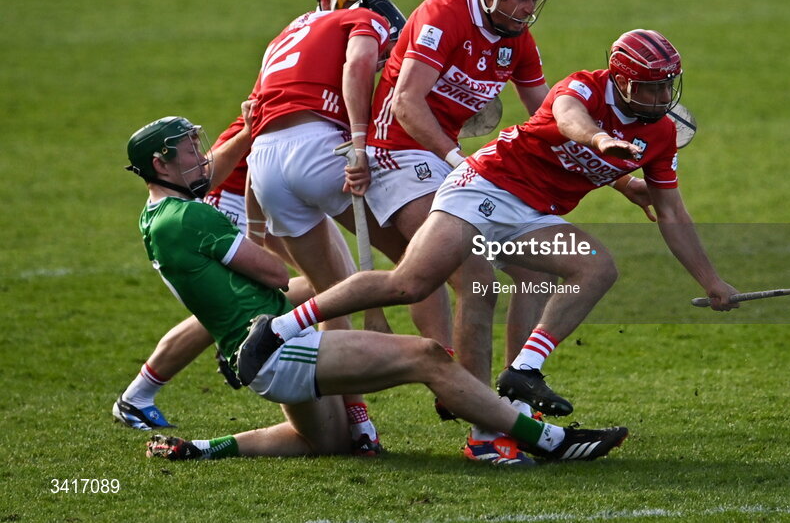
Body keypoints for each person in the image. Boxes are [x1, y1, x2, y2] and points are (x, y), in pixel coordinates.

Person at [238, 29, 739, 425]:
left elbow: (672, 213)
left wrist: (712, 282)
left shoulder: (662, 131)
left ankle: (522, 373)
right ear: (621, 79)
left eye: (666, 85)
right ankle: (278, 329)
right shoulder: (585, 87)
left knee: (596, 267)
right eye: (649, 85)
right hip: (482, 187)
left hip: (533, 214)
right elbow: (566, 117)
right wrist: (601, 140)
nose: (660, 95)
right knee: (410, 282)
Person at [125, 116, 627, 466]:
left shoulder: (154, 219)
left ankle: (199, 449)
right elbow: (275, 275)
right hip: (279, 350)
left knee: (323, 443)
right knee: (428, 357)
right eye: (190, 150)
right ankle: (551, 441)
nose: (201, 156)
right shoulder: (190, 215)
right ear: (160, 164)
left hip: (255, 357)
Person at [363, 0, 595, 462]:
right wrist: (457, 159)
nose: (527, 7)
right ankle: (484, 432)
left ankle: (516, 394)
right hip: (396, 157)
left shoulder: (519, 39)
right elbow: (405, 103)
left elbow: (550, 119)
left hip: (446, 165)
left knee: (533, 264)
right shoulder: (444, 12)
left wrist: (617, 170)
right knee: (475, 279)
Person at [244, 0, 414, 454]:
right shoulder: (362, 17)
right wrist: (359, 141)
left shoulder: (284, 35)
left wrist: (255, 222)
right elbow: (359, 64)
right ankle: (456, 378)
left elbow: (254, 118)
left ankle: (358, 421)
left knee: (330, 299)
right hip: (321, 149)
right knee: (425, 259)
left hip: (267, 164)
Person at [111, 111, 317, 431]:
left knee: (326, 284)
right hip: (238, 198)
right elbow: (204, 170)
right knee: (328, 283)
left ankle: (141, 395)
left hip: (264, 192)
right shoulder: (183, 205)